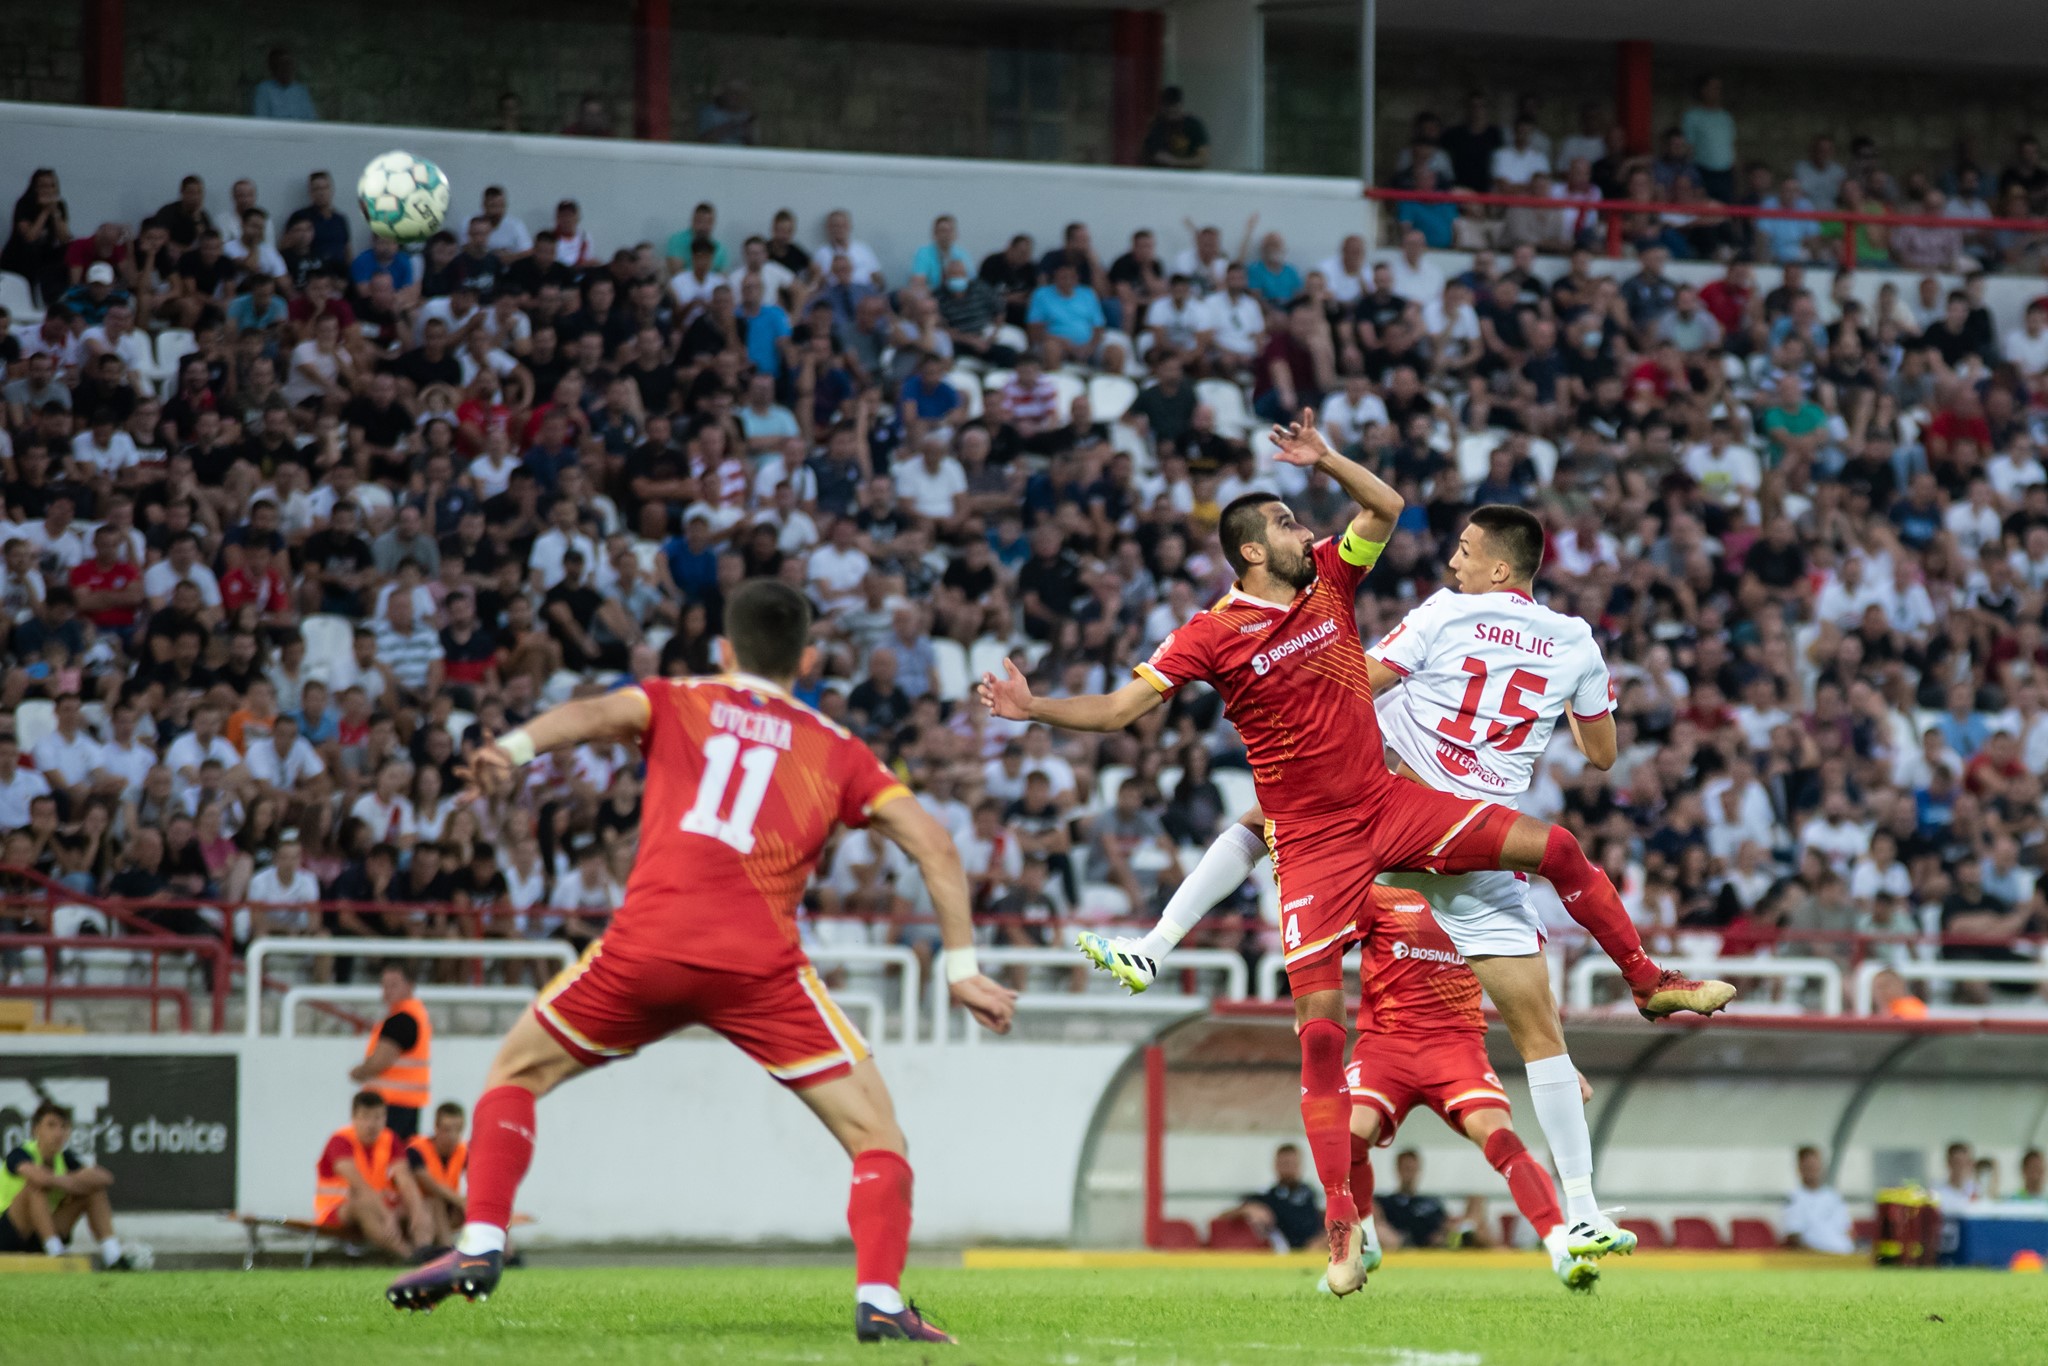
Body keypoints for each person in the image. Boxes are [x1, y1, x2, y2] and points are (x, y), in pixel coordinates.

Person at [987, 417, 1730, 1294]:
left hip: (1391, 809)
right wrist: (1034, 711)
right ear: (1251, 552)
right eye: (1290, 527)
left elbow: (1385, 506)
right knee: (1320, 1028)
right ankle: (1345, 1226)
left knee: (1555, 859)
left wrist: (1325, 458)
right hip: (1315, 844)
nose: (1310, 534)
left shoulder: (1335, 586)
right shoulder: (1211, 632)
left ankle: (1625, 1053)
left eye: (1309, 523)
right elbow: (1119, 712)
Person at [387, 579, 1016, 1345]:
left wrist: (510, 752)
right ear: (807, 658)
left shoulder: (674, 699)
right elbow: (935, 845)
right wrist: (959, 970)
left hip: (646, 947)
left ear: (724, 650)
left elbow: (590, 714)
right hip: (759, 969)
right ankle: (880, 1298)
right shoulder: (840, 751)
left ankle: (480, 1244)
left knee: (515, 1074)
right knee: (878, 1136)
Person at [0, 1101, 128, 1267]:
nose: (58, 1133)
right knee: (35, 1187)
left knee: (94, 1191)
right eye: (51, 1126)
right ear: (36, 1130)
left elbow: (105, 1178)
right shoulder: (20, 1153)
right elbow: (40, 1179)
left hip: (40, 1234)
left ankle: (114, 1257)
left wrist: (65, 1181)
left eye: (63, 1127)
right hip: (8, 1233)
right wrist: (73, 1181)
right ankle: (55, 1251)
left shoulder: (65, 1158)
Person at [315, 1090, 425, 1259]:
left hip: (380, 1203)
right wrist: (387, 1214)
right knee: (363, 1203)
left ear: (385, 1118)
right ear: (354, 1117)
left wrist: (417, 1211)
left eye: (378, 1117)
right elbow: (359, 1186)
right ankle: (409, 1257)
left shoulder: (390, 1139)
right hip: (337, 1209)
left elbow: (405, 1178)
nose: (372, 1124)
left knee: (427, 1204)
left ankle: (429, 1252)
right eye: (365, 1117)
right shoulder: (340, 1141)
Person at [348, 961, 432, 1139]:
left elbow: (380, 1060)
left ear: (409, 986)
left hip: (389, 1106)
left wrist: (359, 1072)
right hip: (406, 1104)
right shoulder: (415, 1014)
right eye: (384, 985)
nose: (387, 991)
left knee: (386, 1158)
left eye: (393, 985)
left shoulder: (402, 1019)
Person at [1219, 1144, 1322, 1252]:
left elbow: (1321, 1216)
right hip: (1284, 1251)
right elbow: (1223, 1216)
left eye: (1293, 1164)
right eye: (1285, 1164)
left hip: (1317, 1249)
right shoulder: (1268, 1196)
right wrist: (1246, 1209)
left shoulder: (1310, 1192)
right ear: (1276, 1165)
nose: (1289, 1169)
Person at [406, 1102, 469, 1249]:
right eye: (447, 1130)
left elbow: (478, 1178)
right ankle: (445, 1249)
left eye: (458, 1130)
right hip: (416, 1207)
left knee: (479, 1205)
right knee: (435, 1201)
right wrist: (460, 1200)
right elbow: (428, 1183)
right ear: (436, 1127)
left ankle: (502, 1252)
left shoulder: (464, 1151)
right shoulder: (416, 1150)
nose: (453, 1136)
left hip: (449, 1205)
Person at [1781, 1145, 1854, 1255]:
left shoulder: (1834, 1197)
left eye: (1815, 1166)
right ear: (1800, 1169)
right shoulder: (1794, 1199)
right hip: (1817, 1257)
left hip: (1844, 1253)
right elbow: (1794, 1236)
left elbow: (1847, 1230)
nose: (1812, 1171)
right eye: (1808, 1167)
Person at [1140, 87, 1209, 170]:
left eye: (1174, 111)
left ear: (1180, 106)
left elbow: (1203, 159)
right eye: (1168, 111)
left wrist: (1175, 162)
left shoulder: (1193, 126)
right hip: (1160, 175)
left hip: (1188, 177)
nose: (1171, 116)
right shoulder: (1157, 125)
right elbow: (1148, 154)